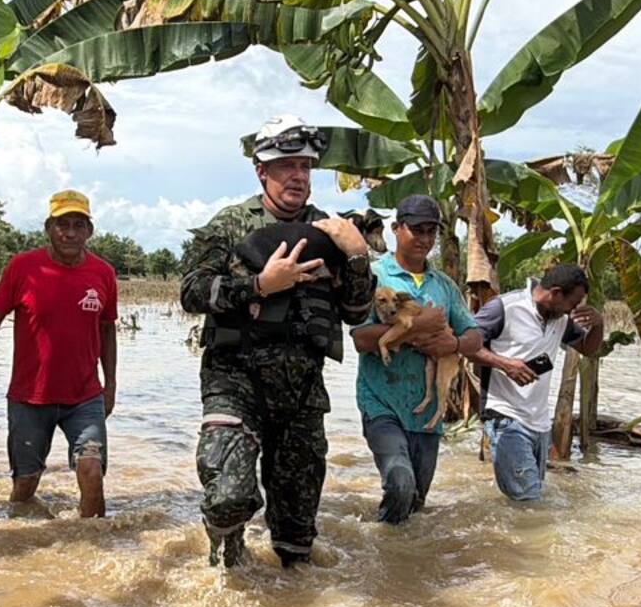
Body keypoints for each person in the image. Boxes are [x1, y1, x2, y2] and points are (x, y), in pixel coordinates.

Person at [180, 115, 373, 568]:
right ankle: (221, 572)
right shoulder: (229, 226)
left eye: (306, 166)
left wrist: (359, 256)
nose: (298, 176)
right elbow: (191, 293)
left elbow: (357, 312)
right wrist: (260, 286)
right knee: (228, 497)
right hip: (235, 381)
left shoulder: (332, 231)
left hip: (302, 392)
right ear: (262, 171)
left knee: (296, 541)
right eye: (286, 165)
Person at [0, 190, 117, 518]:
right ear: (48, 228)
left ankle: (92, 551)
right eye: (61, 224)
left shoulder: (104, 273)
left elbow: (108, 331)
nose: (70, 232)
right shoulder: (23, 268)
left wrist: (110, 387)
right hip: (29, 398)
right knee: (25, 486)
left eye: (78, 224)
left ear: (89, 231)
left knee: (92, 474)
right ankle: (25, 539)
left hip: (85, 397)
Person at [351, 195, 482, 524]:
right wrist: (416, 328)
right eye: (417, 230)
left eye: (431, 232)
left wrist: (452, 342)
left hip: (426, 415)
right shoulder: (374, 278)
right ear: (396, 229)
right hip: (381, 403)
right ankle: (382, 551)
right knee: (400, 482)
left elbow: (475, 336)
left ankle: (397, 563)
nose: (425, 239)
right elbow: (360, 339)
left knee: (416, 503)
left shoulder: (445, 287)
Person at [469, 264, 604, 501]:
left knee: (529, 501)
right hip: (505, 416)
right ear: (555, 293)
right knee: (530, 501)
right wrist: (505, 364)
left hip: (539, 424)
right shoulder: (505, 308)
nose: (573, 310)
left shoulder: (560, 319)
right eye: (572, 303)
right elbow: (465, 345)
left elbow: (588, 349)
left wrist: (599, 324)